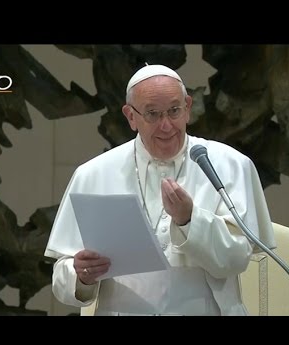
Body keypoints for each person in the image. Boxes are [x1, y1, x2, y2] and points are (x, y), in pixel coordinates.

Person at [44, 64, 275, 316]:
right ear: (131, 117)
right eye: (152, 114)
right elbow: (62, 276)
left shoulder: (229, 165)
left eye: (174, 111)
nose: (166, 126)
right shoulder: (94, 174)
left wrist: (189, 220)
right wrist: (81, 276)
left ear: (188, 108)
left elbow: (236, 259)